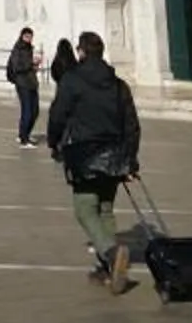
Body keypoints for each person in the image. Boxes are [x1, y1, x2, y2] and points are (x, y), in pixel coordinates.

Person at [45, 31, 141, 291]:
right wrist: (130, 160)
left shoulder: (72, 80)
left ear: (82, 52)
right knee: (106, 210)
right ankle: (108, 270)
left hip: (84, 156)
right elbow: (132, 125)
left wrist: (53, 141)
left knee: (85, 209)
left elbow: (58, 114)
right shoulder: (119, 85)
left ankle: (110, 255)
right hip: (115, 157)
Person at [6, 27, 41, 147]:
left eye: (30, 37)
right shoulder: (18, 49)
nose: (29, 39)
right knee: (27, 111)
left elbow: (29, 67)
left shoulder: (29, 48)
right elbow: (17, 68)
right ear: (22, 36)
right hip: (22, 83)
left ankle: (24, 134)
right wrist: (31, 64)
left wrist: (34, 67)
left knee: (35, 111)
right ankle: (24, 139)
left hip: (31, 82)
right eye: (27, 36)